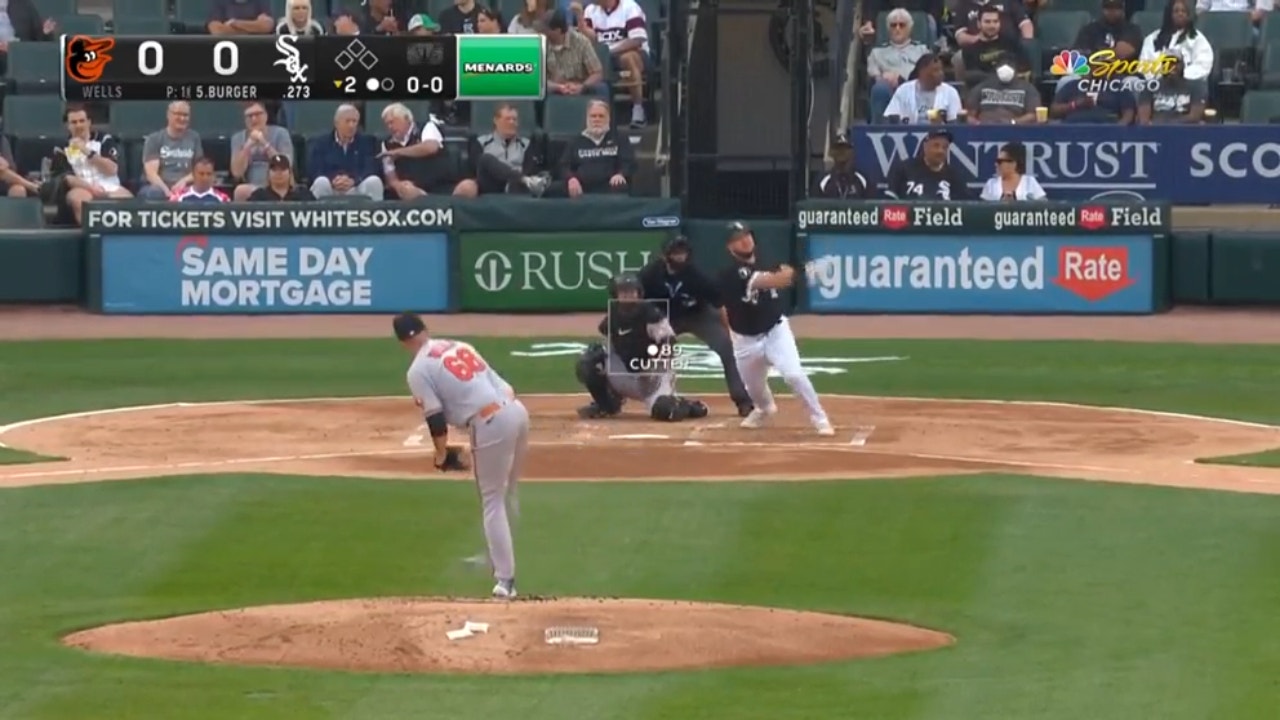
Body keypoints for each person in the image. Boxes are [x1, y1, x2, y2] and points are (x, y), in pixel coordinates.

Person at [395, 312, 528, 600]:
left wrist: (442, 456)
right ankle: (500, 557)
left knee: (491, 501)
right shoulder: (459, 346)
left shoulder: (417, 370)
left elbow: (436, 420)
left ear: (403, 342)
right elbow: (503, 385)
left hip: (492, 423)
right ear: (424, 330)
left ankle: (505, 581)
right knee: (506, 494)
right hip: (518, 411)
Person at [717, 222, 833, 436]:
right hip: (745, 340)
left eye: (747, 235)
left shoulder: (768, 261)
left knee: (794, 375)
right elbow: (778, 280)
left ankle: (820, 418)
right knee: (754, 389)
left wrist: (792, 273)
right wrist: (796, 273)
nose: (745, 240)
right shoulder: (732, 273)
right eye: (737, 238)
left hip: (775, 331)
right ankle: (764, 409)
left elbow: (782, 276)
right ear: (729, 247)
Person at [638, 235, 754, 416]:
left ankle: (743, 399)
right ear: (665, 255)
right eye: (676, 253)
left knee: (727, 347)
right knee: (651, 351)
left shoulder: (696, 276)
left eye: (683, 253)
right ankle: (660, 396)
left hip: (698, 315)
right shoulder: (650, 275)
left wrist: (729, 330)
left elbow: (719, 303)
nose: (680, 257)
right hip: (664, 319)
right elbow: (637, 303)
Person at [573, 272, 710, 421]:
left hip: (652, 379)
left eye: (632, 291)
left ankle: (686, 405)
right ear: (616, 294)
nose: (628, 295)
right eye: (623, 291)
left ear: (639, 293)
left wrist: (653, 363)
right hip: (625, 375)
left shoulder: (650, 314)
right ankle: (607, 405)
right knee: (588, 362)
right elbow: (612, 341)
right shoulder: (613, 315)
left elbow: (669, 342)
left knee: (665, 411)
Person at [46, 105, 132, 226]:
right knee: (80, 199)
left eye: (82, 121)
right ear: (68, 126)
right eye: (74, 122)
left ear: (89, 122)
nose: (78, 125)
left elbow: (111, 169)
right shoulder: (61, 147)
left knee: (127, 199)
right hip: (81, 186)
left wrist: (85, 150)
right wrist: (91, 189)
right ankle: (92, 239)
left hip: (109, 184)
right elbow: (68, 178)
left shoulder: (104, 140)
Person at [378, 102, 474, 198]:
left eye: (392, 122)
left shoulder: (426, 127)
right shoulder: (387, 144)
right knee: (405, 190)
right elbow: (390, 175)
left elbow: (430, 147)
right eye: (387, 124)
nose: (389, 127)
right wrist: (398, 185)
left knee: (469, 186)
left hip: (444, 183)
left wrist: (399, 152)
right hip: (415, 190)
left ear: (406, 119)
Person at [580, 0, 651, 127]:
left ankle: (638, 109)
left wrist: (610, 51)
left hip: (632, 53)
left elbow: (637, 40)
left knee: (628, 58)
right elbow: (588, 40)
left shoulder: (630, 7)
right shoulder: (590, 10)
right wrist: (580, 19)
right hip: (602, 55)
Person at [465, 102, 550, 195]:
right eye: (507, 119)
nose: (512, 122)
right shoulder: (481, 143)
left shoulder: (526, 145)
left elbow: (528, 170)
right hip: (490, 185)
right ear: (496, 120)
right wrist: (520, 177)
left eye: (514, 119)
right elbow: (476, 169)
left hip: (515, 187)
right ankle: (524, 180)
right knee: (485, 159)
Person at [556, 99, 635, 196]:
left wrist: (621, 174)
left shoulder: (619, 139)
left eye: (601, 116)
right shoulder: (576, 141)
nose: (597, 119)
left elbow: (629, 163)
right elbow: (564, 165)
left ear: (608, 119)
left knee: (620, 185)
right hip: (581, 186)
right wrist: (571, 178)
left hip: (610, 185)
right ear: (587, 118)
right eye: (593, 116)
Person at [1061, 0, 1142, 93]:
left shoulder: (1132, 29)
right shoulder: (1089, 29)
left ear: (1122, 8)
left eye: (1117, 7)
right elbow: (1079, 54)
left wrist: (1098, 55)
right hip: (1091, 74)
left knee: (1134, 82)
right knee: (1066, 81)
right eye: (1108, 7)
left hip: (1122, 74)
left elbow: (1123, 52)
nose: (1112, 11)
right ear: (1102, 8)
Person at [308, 104, 384, 200]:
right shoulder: (321, 143)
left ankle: (375, 214)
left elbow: (372, 167)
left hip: (357, 186)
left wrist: (354, 180)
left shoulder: (368, 142)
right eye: (347, 121)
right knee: (321, 182)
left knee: (374, 181)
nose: (351, 125)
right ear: (336, 123)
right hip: (332, 187)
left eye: (354, 121)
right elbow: (315, 169)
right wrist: (333, 180)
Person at [866, 9, 929, 124]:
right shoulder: (877, 53)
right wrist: (884, 78)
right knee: (879, 89)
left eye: (902, 25)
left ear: (909, 28)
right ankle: (880, 133)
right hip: (888, 91)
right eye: (893, 25)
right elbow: (874, 75)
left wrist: (901, 80)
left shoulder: (922, 51)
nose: (897, 29)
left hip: (914, 91)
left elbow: (927, 76)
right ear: (888, 29)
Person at [139, 102, 203, 201]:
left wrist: (184, 182)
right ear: (168, 115)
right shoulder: (154, 139)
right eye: (178, 114)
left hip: (185, 185)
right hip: (158, 186)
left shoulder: (194, 138)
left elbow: (199, 169)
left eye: (185, 115)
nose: (182, 118)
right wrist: (167, 192)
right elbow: (151, 174)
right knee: (155, 193)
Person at [1139, 0, 1214, 84]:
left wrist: (1181, 74)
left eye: (1183, 11)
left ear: (1188, 15)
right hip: (1158, 86)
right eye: (1176, 11)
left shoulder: (1197, 38)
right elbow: (1144, 64)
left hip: (1187, 87)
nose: (1180, 14)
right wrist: (1162, 75)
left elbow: (1203, 66)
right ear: (1169, 14)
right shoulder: (1153, 38)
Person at [231, 101, 294, 201]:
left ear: (266, 116)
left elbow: (285, 164)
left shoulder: (281, 133)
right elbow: (237, 172)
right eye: (249, 116)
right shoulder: (238, 138)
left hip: (278, 183)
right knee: (241, 191)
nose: (254, 119)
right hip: (252, 187)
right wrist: (248, 145)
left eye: (258, 114)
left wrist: (264, 143)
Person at [955, 5, 1031, 88]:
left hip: (1012, 90)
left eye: (995, 21)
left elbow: (1024, 69)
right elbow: (972, 77)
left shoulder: (1012, 43)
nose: (992, 25)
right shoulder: (969, 50)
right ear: (979, 24)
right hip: (984, 92)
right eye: (987, 22)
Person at [885, 128, 971, 199]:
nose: (940, 151)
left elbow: (965, 210)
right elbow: (889, 206)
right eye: (936, 145)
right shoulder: (903, 169)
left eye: (945, 147)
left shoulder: (954, 176)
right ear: (925, 147)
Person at [883, 54, 964, 124]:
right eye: (936, 70)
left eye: (941, 70)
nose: (941, 74)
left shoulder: (950, 92)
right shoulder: (904, 90)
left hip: (939, 137)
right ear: (922, 72)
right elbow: (890, 118)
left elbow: (955, 123)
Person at [542, 9, 606, 95]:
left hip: (580, 89)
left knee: (601, 88)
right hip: (552, 90)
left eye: (547, 30)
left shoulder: (581, 42)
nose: (544, 32)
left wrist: (582, 86)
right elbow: (535, 78)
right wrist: (557, 87)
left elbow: (597, 73)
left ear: (558, 30)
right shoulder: (541, 43)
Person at [965, 52, 1040, 124]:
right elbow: (969, 114)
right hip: (985, 129)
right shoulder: (982, 87)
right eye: (1001, 64)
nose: (1005, 67)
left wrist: (1013, 122)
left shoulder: (1027, 88)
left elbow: (1033, 115)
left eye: (1010, 64)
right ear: (996, 67)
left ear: (1016, 68)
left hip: (1014, 131)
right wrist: (978, 125)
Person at [1136, 56, 1208, 124]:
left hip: (1186, 132)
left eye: (1175, 63)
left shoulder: (1196, 86)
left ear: (1183, 65)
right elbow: (1144, 119)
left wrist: (1167, 123)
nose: (1171, 66)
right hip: (1157, 133)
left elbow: (1195, 117)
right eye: (1167, 63)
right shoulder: (1151, 86)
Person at [979, 142, 1047, 201]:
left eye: (1000, 161)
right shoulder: (991, 184)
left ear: (1013, 163)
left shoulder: (1029, 182)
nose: (996, 164)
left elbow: (1043, 207)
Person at [1051, 80, 1136, 124]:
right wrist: (1075, 105)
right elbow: (1053, 112)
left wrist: (1116, 131)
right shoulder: (1072, 86)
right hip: (1072, 129)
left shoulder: (1117, 87)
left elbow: (1128, 114)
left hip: (1107, 129)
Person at [248, 154, 316, 200]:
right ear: (268, 173)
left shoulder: (303, 194)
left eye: (283, 169)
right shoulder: (259, 196)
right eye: (274, 170)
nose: (279, 173)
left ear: (290, 173)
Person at [334, 0, 403, 34]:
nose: (390, 1)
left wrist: (397, 35)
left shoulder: (397, 11)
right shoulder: (354, 16)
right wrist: (378, 30)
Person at [208, 0, 274, 35]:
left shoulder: (260, 1)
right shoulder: (219, 1)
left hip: (256, 48)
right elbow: (216, 30)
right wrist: (254, 28)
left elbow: (266, 26)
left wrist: (235, 23)